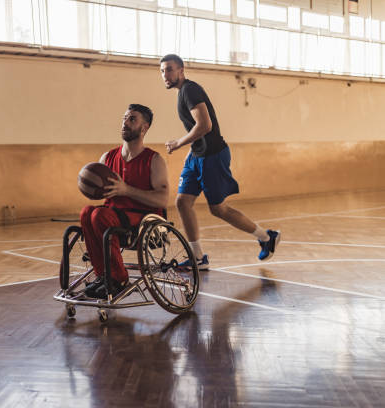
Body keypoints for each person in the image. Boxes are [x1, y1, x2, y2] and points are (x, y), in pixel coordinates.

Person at [159, 54, 280, 270]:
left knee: (219, 209)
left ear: (181, 70)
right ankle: (198, 257)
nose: (165, 75)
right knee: (182, 202)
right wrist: (191, 151)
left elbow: (205, 125)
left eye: (169, 69)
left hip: (213, 155)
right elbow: (199, 130)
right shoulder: (182, 93)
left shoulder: (190, 90)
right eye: (162, 71)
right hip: (197, 155)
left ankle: (266, 237)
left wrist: (179, 143)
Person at [80, 104, 169, 299]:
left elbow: (163, 199)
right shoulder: (107, 157)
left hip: (142, 219)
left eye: (132, 119)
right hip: (110, 216)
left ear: (144, 128)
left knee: (99, 215)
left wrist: (127, 190)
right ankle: (103, 275)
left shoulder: (154, 160)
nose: (125, 123)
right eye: (124, 118)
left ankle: (119, 278)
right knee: (87, 212)